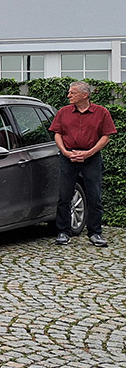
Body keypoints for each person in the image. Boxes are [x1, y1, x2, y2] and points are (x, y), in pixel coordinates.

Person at [51, 81, 116, 247]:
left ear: (85, 95)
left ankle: (95, 233)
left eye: (72, 93)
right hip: (68, 157)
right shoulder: (63, 112)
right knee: (64, 196)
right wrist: (65, 152)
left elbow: (106, 136)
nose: (68, 96)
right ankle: (63, 232)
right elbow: (57, 134)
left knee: (95, 196)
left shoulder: (101, 112)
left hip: (91, 159)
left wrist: (89, 153)